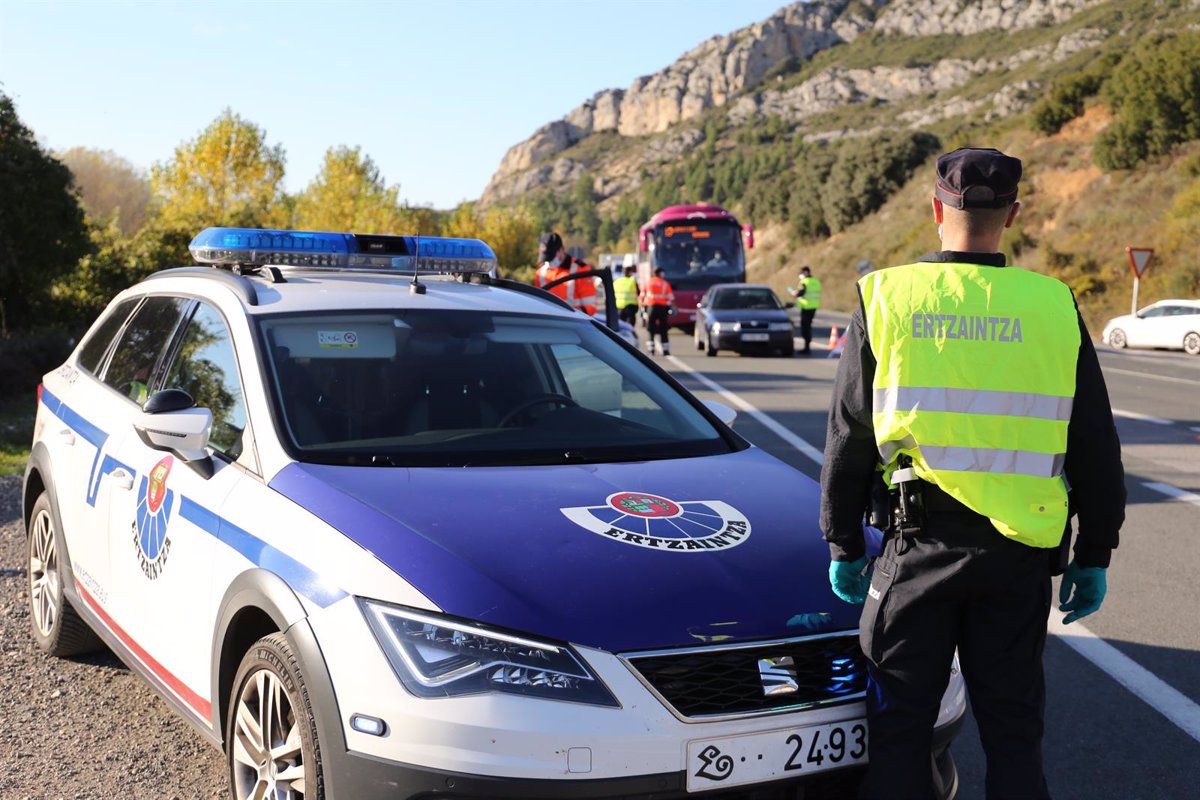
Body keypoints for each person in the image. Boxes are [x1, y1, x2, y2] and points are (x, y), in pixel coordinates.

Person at [820, 147, 1125, 800]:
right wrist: (1094, 552)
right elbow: (1095, 445)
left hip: (916, 550)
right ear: (1013, 214)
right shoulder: (1051, 304)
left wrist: (844, 543)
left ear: (936, 208)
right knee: (1014, 735)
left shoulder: (886, 297)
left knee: (900, 730)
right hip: (1017, 557)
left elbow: (849, 437)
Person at [534, 232, 598, 316]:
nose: (549, 261)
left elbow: (590, 307)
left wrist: (572, 316)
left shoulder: (581, 270)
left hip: (573, 325)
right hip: (549, 323)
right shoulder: (540, 273)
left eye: (551, 257)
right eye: (546, 258)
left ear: (561, 250)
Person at [640, 266, 674, 356]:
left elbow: (642, 296)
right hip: (662, 309)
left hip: (651, 308)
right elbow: (670, 298)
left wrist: (642, 308)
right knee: (663, 329)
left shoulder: (648, 282)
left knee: (651, 329)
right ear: (660, 273)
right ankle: (665, 350)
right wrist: (674, 307)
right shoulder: (665, 283)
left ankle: (651, 349)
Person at [791, 265, 822, 354]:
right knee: (808, 326)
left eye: (801, 273)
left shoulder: (805, 282)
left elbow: (801, 292)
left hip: (806, 307)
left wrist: (795, 294)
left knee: (805, 328)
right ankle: (807, 346)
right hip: (813, 307)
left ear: (806, 272)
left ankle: (807, 348)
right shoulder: (816, 281)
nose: (800, 275)